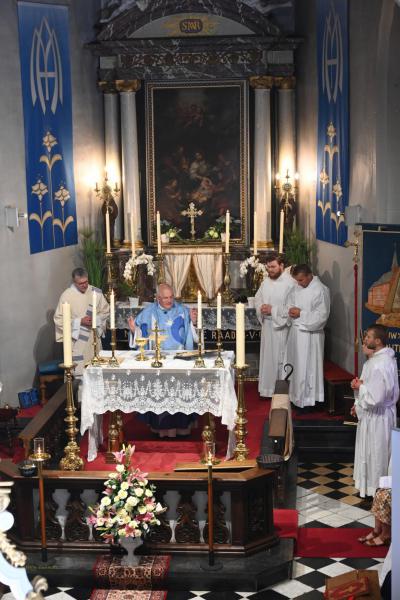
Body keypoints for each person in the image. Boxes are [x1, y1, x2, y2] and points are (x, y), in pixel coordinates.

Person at [128, 283, 198, 437]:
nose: (169, 300)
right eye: (165, 298)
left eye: (171, 297)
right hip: (157, 359)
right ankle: (160, 429)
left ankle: (182, 427)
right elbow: (140, 335)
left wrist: (193, 322)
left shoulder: (183, 311)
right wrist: (134, 331)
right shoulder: (147, 313)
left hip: (179, 359)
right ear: (158, 298)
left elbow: (193, 334)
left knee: (180, 393)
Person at [351, 325, 398, 498]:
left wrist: (360, 387)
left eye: (369, 337)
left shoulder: (379, 365)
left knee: (376, 454)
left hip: (378, 417)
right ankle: (375, 489)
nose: (365, 339)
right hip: (376, 415)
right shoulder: (378, 360)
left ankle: (377, 492)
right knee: (375, 453)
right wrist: (358, 403)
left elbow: (376, 398)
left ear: (378, 341)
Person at [280, 264, 330, 408]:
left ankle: (308, 401)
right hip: (296, 334)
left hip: (311, 336)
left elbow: (322, 317)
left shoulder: (321, 290)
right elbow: (289, 302)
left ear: (309, 275)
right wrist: (290, 310)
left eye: (301, 280)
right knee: (296, 366)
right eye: (297, 280)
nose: (298, 283)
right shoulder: (297, 287)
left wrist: (301, 313)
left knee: (308, 368)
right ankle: (295, 397)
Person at [54, 268, 109, 376]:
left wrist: (96, 319)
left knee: (96, 371)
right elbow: (59, 319)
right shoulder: (67, 296)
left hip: (93, 339)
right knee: (79, 375)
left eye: (86, 282)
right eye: (81, 283)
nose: (84, 285)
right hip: (77, 341)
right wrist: (79, 321)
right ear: (74, 282)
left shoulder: (96, 293)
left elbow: (106, 311)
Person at [255, 253, 295, 398]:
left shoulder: (290, 284)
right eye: (268, 267)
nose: (270, 270)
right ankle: (267, 389)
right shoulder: (265, 281)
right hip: (267, 326)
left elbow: (292, 308)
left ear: (282, 266)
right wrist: (261, 307)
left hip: (281, 328)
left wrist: (273, 310)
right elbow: (258, 298)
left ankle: (281, 391)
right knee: (268, 359)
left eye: (273, 267)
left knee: (280, 359)